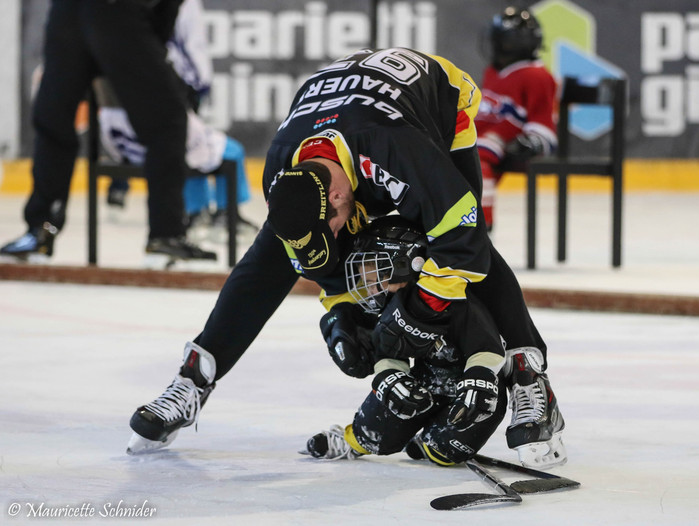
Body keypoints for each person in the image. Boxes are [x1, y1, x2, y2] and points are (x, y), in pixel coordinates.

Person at [126, 47, 566, 468]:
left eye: (333, 226)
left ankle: (531, 379)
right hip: (347, 118)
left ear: (337, 196)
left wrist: (420, 312)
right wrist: (342, 313)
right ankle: (192, 380)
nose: (337, 236)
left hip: (435, 103)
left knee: (462, 239)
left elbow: (462, 239)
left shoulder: (398, 149)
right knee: (264, 262)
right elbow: (310, 258)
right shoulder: (283, 172)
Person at [0, 0, 215, 265]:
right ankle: (165, 235)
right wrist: (153, 39)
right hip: (118, 13)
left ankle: (39, 231)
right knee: (168, 121)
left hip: (67, 14)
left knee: (54, 121)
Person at [302, 216, 511, 466]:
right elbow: (389, 351)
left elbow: (487, 347)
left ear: (404, 264)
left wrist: (479, 378)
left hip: (468, 388)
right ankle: (355, 439)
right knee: (386, 413)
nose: (368, 289)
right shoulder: (392, 305)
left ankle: (430, 443)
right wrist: (390, 377)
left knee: (443, 452)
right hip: (424, 383)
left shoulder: (454, 299)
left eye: (373, 280)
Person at [101, 0, 259, 244]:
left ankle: (196, 212)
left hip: (123, 138)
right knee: (215, 149)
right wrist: (198, 85)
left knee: (191, 145)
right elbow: (189, 48)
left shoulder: (109, 39)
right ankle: (225, 215)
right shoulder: (169, 25)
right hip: (164, 117)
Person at [475, 6, 558, 231]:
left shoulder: (536, 76)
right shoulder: (493, 71)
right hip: (480, 136)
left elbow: (544, 122)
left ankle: (480, 226)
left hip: (500, 142)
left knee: (474, 163)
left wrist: (534, 141)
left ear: (509, 44)